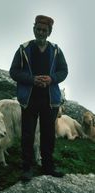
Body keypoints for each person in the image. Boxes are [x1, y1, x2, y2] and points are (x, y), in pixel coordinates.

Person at [9, 15, 68, 181]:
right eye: (38, 29)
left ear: (49, 32)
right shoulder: (24, 49)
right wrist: (32, 79)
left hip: (50, 100)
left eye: (44, 30)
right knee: (28, 134)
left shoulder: (55, 50)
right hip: (29, 99)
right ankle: (27, 168)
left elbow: (63, 71)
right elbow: (14, 71)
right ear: (33, 29)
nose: (41, 32)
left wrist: (52, 79)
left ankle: (48, 167)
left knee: (48, 134)